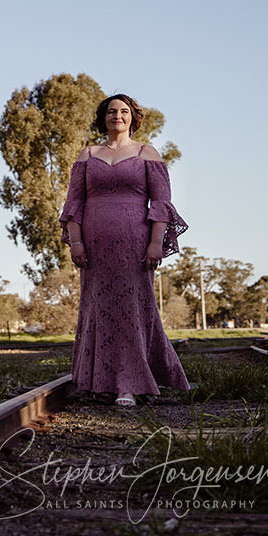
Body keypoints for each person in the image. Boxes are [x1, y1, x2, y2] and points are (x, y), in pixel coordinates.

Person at [59, 93, 190, 407]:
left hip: (134, 243)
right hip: (94, 245)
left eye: (123, 111)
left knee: (131, 309)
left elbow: (160, 203)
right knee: (97, 309)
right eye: (111, 111)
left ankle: (128, 386)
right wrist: (76, 242)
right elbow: (73, 204)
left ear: (133, 117)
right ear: (103, 117)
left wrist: (156, 243)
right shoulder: (87, 154)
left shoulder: (148, 154)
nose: (117, 115)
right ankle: (95, 382)